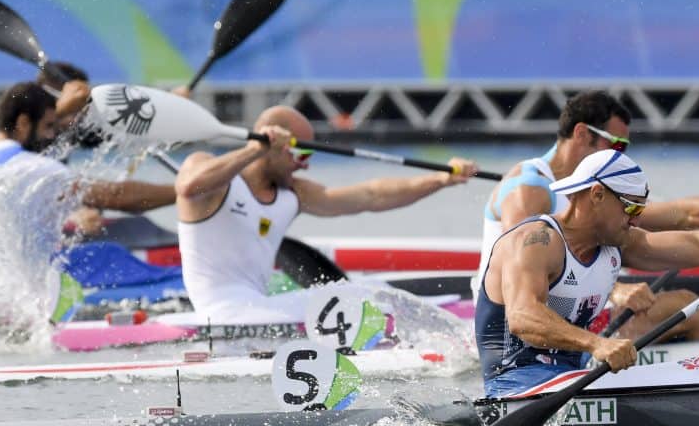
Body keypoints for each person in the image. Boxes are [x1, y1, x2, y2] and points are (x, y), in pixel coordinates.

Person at [476, 149, 699, 397]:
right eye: (631, 207)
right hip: (516, 385)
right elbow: (523, 317)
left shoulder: (617, 244)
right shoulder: (536, 241)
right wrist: (597, 343)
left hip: (574, 375)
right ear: (597, 194)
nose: (637, 218)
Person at [475, 90, 699, 342]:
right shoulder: (528, 188)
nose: (621, 155)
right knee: (685, 307)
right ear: (583, 134)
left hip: (575, 307)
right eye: (616, 144)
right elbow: (521, 267)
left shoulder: (610, 202)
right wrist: (616, 291)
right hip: (518, 317)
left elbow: (685, 219)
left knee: (683, 299)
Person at [174, 105, 481, 322]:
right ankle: (446, 321)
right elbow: (188, 186)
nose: (305, 163)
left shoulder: (292, 194)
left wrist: (441, 180)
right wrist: (255, 148)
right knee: (364, 299)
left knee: (372, 292)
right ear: (275, 146)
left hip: (259, 308)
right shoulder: (211, 177)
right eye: (302, 153)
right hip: (220, 314)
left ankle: (439, 313)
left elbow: (371, 196)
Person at [0, 81, 176, 215]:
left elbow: (16, 125)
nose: (53, 135)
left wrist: (57, 109)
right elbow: (117, 196)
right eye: (48, 126)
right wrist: (185, 189)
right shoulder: (36, 170)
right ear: (24, 123)